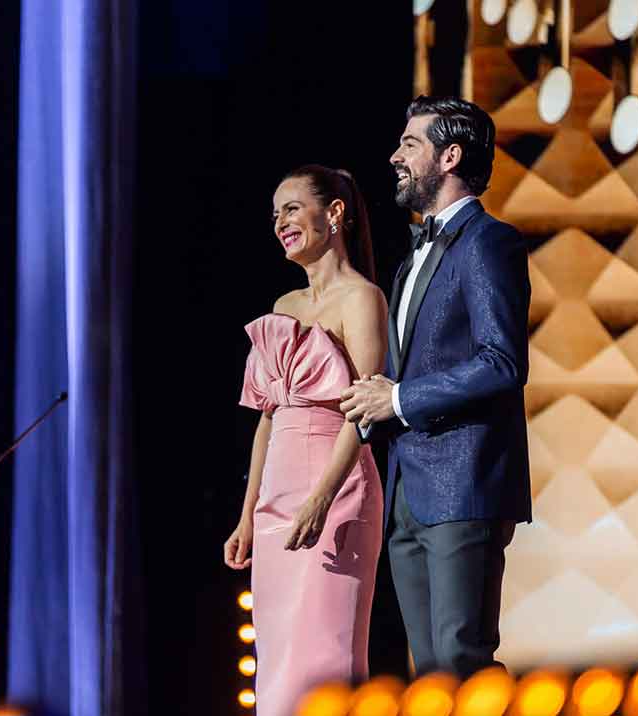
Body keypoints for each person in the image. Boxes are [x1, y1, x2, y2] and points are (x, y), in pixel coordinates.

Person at [340, 96, 532, 678]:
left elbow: (501, 362)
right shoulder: (411, 259)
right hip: (409, 488)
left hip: (463, 484)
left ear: (449, 156)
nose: (394, 156)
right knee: (432, 676)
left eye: (409, 144)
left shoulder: (488, 241)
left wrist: (397, 398)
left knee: (460, 662)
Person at [224, 165, 387, 716]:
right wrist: (248, 514)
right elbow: (267, 420)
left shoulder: (362, 299)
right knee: (277, 667)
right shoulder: (283, 309)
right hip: (276, 505)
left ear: (333, 213)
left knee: (326, 659)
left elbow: (363, 415)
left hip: (336, 496)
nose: (280, 223)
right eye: (275, 214)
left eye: (291, 208)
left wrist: (320, 499)